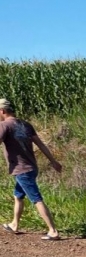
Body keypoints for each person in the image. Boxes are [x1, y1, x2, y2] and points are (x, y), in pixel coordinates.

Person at [0, 99, 63, 240]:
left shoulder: (4, 125)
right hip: (32, 168)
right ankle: (14, 224)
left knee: (36, 199)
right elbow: (40, 144)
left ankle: (53, 231)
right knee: (18, 196)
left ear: (2, 111)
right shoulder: (25, 124)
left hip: (21, 170)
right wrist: (53, 161)